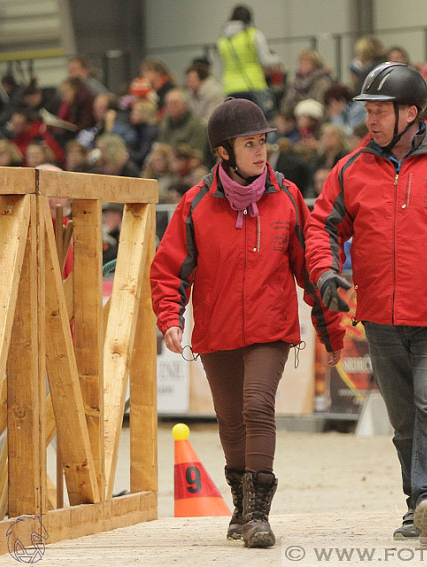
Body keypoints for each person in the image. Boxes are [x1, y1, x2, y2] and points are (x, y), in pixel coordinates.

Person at [304, 62, 427, 544]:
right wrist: (326, 270)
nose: (369, 121)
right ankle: (417, 506)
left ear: (411, 112)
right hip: (379, 318)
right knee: (404, 421)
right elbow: (322, 226)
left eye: (379, 111)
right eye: (367, 111)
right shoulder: (350, 169)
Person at [150, 98, 344, 548]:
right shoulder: (194, 204)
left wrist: (330, 329)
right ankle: (240, 504)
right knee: (230, 420)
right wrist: (170, 318)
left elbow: (309, 269)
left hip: (270, 327)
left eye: (263, 142)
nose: (261, 152)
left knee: (257, 405)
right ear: (223, 152)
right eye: (249, 144)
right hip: (216, 332)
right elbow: (169, 270)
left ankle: (259, 513)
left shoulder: (288, 196)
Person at [217, 4, 280, 117]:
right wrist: (276, 58)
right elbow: (265, 60)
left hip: (230, 87)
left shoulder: (222, 40)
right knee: (261, 121)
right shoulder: (253, 34)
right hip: (253, 84)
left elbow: (222, 64)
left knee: (238, 125)